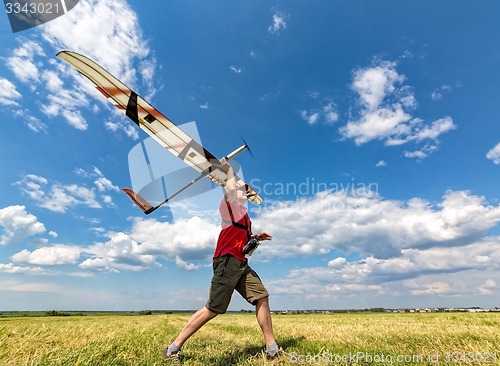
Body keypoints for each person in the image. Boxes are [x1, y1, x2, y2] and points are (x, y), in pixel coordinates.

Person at [162, 159, 284, 363]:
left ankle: (272, 350)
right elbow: (229, 186)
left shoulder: (244, 216)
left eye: (246, 191)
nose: (245, 194)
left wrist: (255, 237)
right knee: (213, 308)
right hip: (226, 261)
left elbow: (242, 238)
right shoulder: (229, 206)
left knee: (262, 297)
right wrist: (227, 169)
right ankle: (172, 349)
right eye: (241, 190)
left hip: (241, 263)